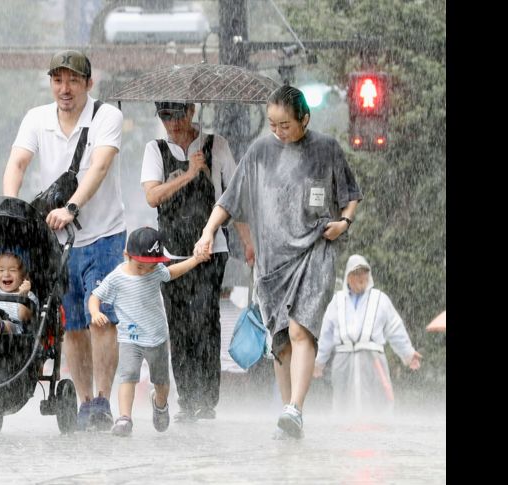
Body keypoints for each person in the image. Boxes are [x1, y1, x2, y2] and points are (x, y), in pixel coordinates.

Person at [194, 85, 363, 439]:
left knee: (302, 329)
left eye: (285, 124)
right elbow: (230, 198)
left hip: (315, 248)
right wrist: (209, 231)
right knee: (282, 340)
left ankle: (295, 407)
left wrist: (343, 223)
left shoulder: (326, 149)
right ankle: (289, 415)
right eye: (272, 124)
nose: (278, 131)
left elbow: (350, 197)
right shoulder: (260, 151)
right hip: (273, 260)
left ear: (305, 119)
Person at [2, 50, 125, 431]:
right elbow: (18, 163)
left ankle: (103, 399)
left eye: (73, 80)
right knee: (72, 323)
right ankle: (85, 400)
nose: (65, 88)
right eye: (58, 80)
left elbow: (100, 165)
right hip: (58, 240)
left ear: (89, 83)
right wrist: (10, 207)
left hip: (103, 232)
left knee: (101, 320)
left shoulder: (107, 116)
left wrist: (72, 206)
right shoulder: (36, 118)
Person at [140, 101, 255, 422]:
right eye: (165, 116)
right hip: (170, 253)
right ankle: (187, 398)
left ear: (191, 111)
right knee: (178, 325)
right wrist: (190, 173)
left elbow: (233, 198)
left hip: (210, 249)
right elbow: (152, 196)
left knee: (205, 319)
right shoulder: (155, 149)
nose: (172, 123)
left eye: (177, 115)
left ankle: (207, 399)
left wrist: (247, 241)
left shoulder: (215, 145)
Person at [88, 227, 209, 436]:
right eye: (140, 266)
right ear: (127, 256)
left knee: (161, 382)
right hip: (129, 338)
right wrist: (95, 312)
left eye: (151, 267)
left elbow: (172, 272)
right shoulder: (117, 277)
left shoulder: (156, 271)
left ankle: (160, 404)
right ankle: (125, 418)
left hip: (157, 337)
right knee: (128, 377)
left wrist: (195, 260)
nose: (145, 271)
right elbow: (95, 295)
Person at [313, 254, 422, 416]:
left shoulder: (380, 299)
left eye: (364, 273)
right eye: (356, 274)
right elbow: (327, 334)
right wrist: (318, 362)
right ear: (348, 277)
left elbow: (395, 327)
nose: (361, 278)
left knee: (378, 399)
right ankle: (345, 432)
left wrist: (408, 353)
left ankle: (379, 433)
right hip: (343, 359)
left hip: (373, 359)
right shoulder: (337, 301)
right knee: (343, 401)